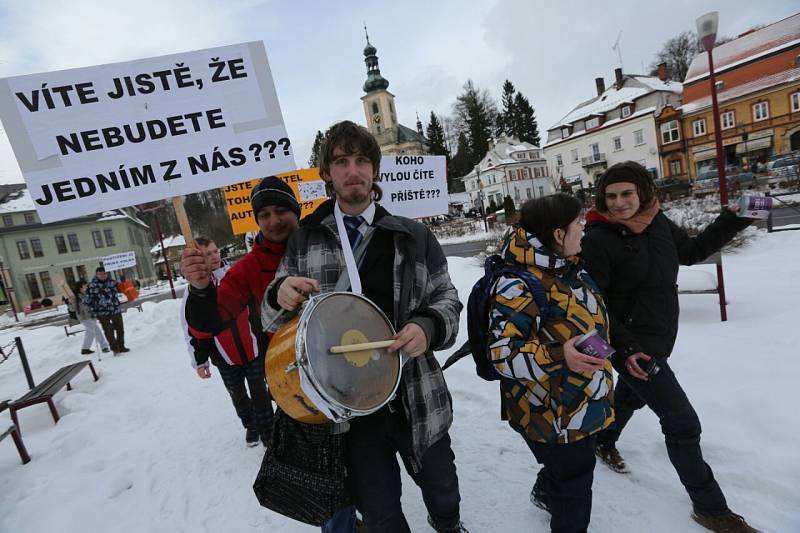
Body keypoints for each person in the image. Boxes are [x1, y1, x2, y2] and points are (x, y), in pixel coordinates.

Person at [262, 120, 466, 533]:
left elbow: (447, 298)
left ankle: (447, 523)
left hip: (414, 392)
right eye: (341, 161)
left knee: (442, 486)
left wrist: (427, 326)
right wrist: (279, 293)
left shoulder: (413, 235)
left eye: (361, 160)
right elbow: (274, 321)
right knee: (379, 510)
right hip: (349, 407)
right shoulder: (305, 240)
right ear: (327, 174)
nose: (352, 171)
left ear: (374, 169)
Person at [580, 161, 757, 533]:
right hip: (633, 345)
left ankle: (603, 440)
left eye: (627, 193)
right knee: (681, 421)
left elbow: (691, 252)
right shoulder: (598, 239)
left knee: (633, 395)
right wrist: (624, 351)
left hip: (661, 335)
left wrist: (736, 217)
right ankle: (711, 508)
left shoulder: (656, 222)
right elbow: (595, 305)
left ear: (642, 193)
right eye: (611, 196)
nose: (619, 203)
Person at [180, 177, 357, 533]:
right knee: (323, 468)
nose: (273, 220)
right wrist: (200, 290)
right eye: (264, 214)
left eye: (281, 211)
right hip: (295, 381)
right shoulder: (246, 268)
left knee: (362, 457)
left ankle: (358, 511)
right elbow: (209, 322)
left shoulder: (328, 241)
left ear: (296, 210)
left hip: (350, 365)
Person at [488, 194, 613, 533]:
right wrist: (562, 356)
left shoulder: (567, 267)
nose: (584, 229)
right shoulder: (517, 283)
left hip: (579, 402)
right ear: (558, 234)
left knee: (569, 471)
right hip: (550, 412)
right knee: (575, 489)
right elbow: (503, 355)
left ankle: (547, 490)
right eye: (578, 224)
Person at [180, 235, 272, 447]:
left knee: (259, 392)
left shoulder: (237, 275)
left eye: (214, 251)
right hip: (224, 357)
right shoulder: (193, 294)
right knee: (238, 394)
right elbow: (190, 329)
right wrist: (200, 360)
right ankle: (251, 426)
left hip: (253, 349)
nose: (212, 257)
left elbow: (261, 305)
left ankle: (269, 431)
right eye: (206, 254)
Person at [85, 267, 129, 354]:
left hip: (115, 309)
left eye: (104, 273)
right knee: (109, 331)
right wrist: (91, 311)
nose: (103, 276)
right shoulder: (91, 285)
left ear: (107, 274)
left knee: (120, 329)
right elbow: (88, 300)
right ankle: (115, 348)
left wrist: (123, 280)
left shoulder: (113, 282)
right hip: (102, 312)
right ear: (96, 275)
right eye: (100, 274)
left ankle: (121, 346)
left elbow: (122, 289)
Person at [74, 280, 110, 355]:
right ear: (81, 287)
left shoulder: (87, 294)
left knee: (90, 333)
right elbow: (73, 308)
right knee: (97, 330)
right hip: (84, 317)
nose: (86, 286)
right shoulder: (76, 296)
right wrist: (70, 302)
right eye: (85, 285)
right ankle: (104, 346)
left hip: (91, 316)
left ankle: (85, 349)